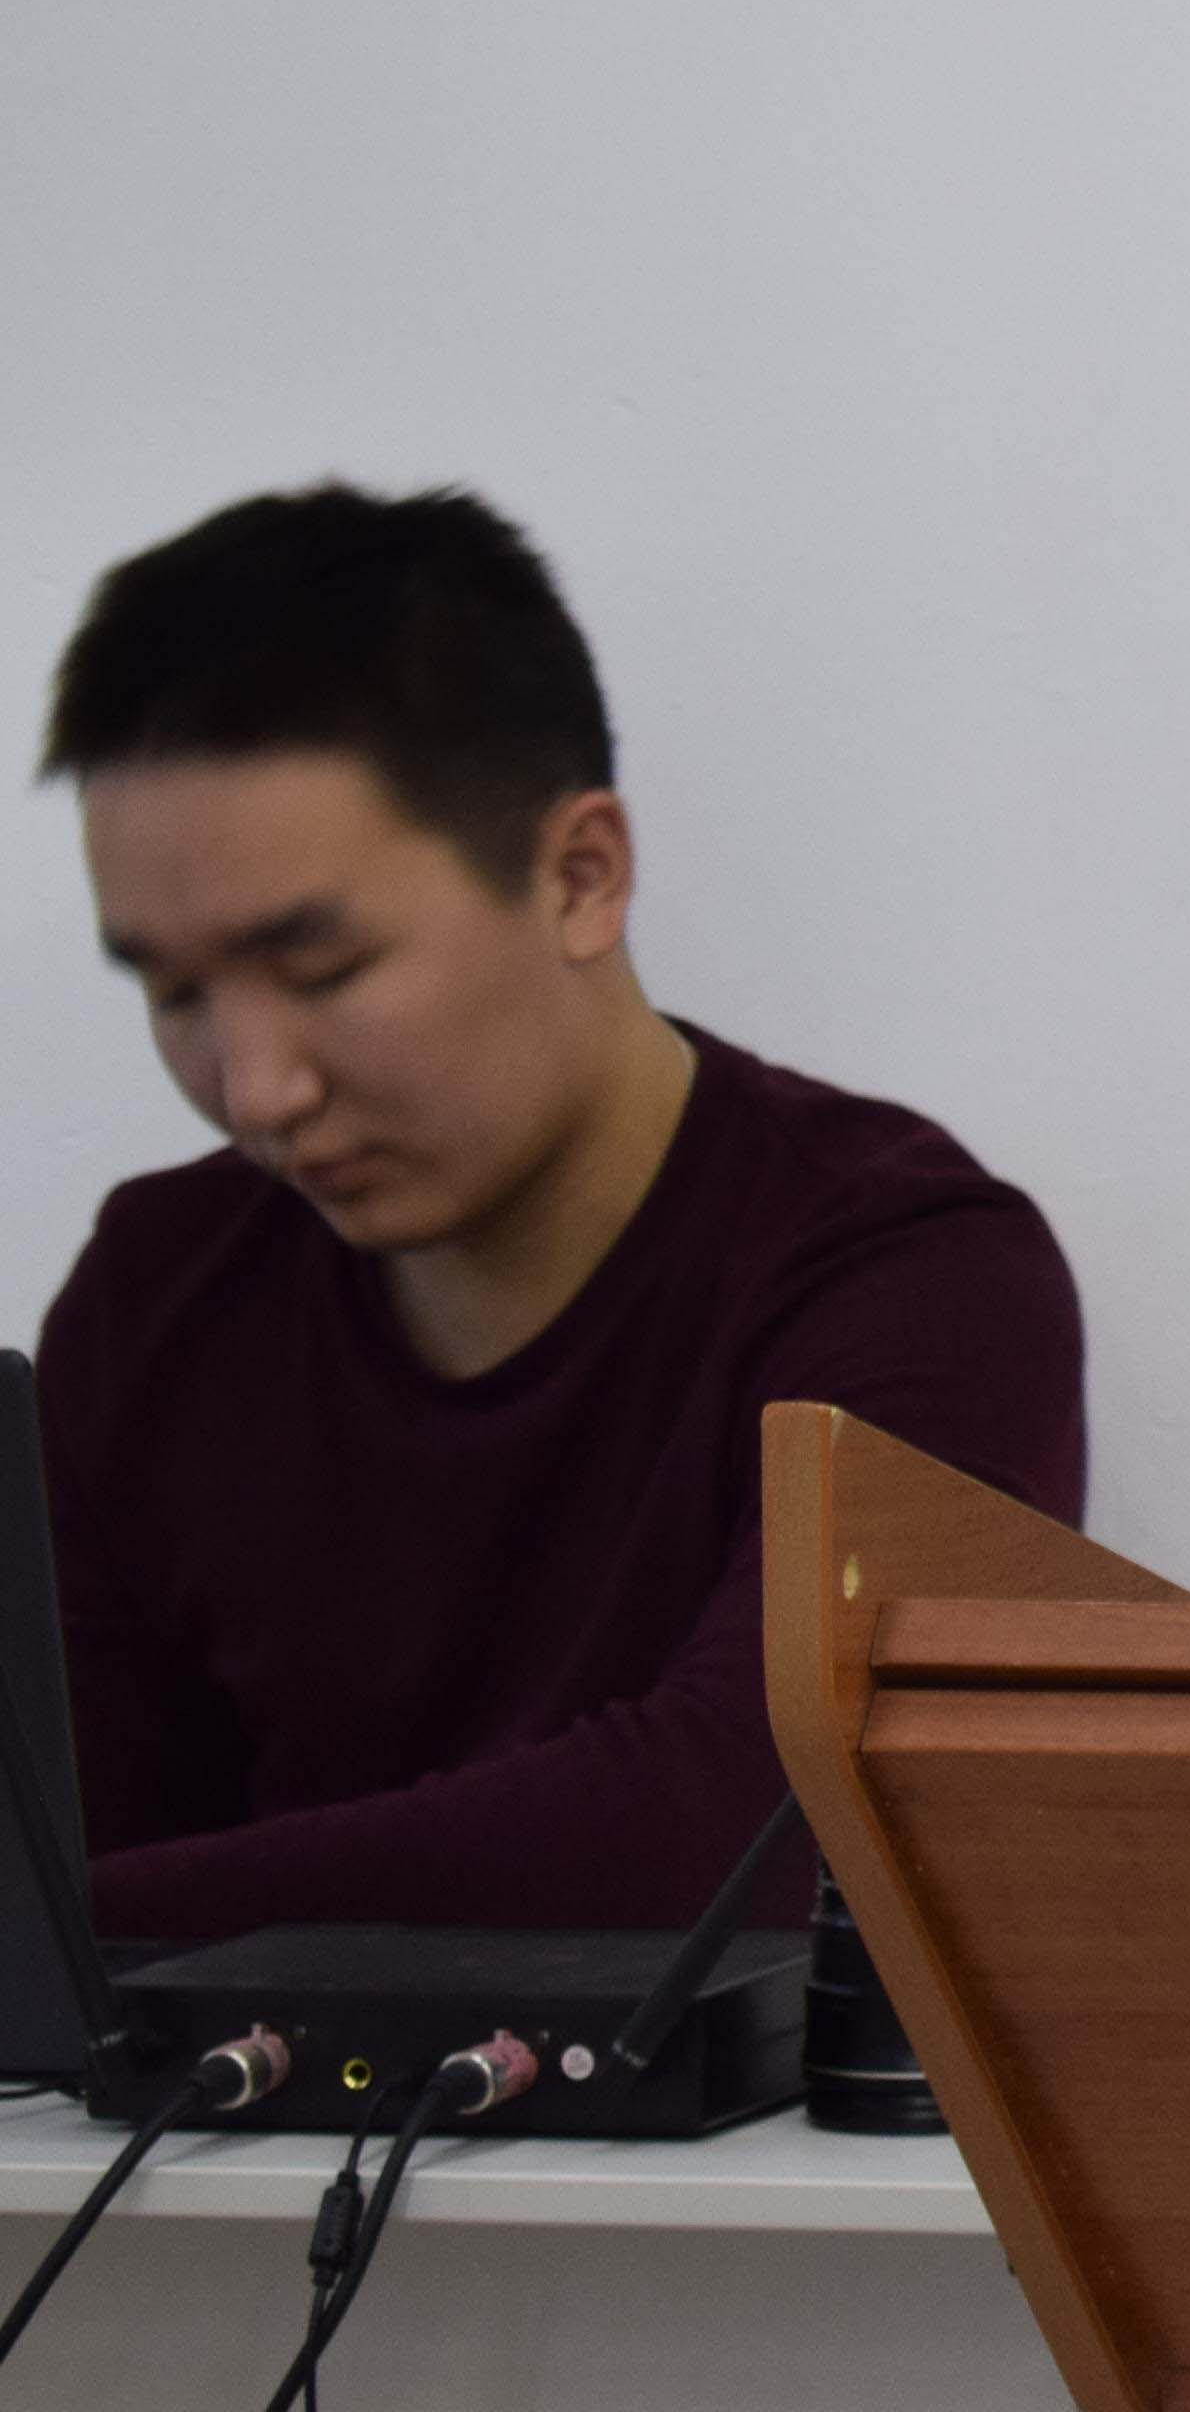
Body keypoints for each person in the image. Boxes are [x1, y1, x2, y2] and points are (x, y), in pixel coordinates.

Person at [31, 483, 1084, 1941]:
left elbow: (763, 1833)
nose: (256, 1090)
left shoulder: (913, 1277)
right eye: (175, 993)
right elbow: (53, 1876)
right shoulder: (155, 1299)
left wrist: (81, 1931)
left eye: (324, 970)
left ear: (581, 876)